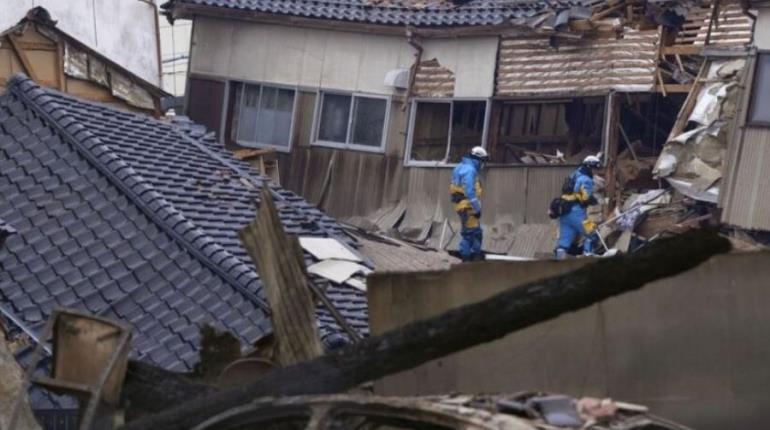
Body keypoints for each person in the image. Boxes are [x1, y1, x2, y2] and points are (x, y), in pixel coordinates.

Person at [555, 155, 601, 260]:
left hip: (564, 211)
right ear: (590, 167)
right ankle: (587, 259)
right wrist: (594, 201)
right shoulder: (586, 179)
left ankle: (558, 263)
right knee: (592, 234)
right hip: (577, 213)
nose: (596, 172)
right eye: (595, 168)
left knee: (563, 243)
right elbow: (585, 197)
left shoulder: (575, 174)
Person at [450, 146, 488, 262]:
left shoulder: (460, 167)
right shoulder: (470, 170)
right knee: (472, 234)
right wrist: (477, 209)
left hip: (462, 206)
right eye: (483, 161)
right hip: (468, 207)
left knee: (472, 232)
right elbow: (470, 192)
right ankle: (469, 259)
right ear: (478, 159)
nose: (483, 164)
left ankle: (471, 257)